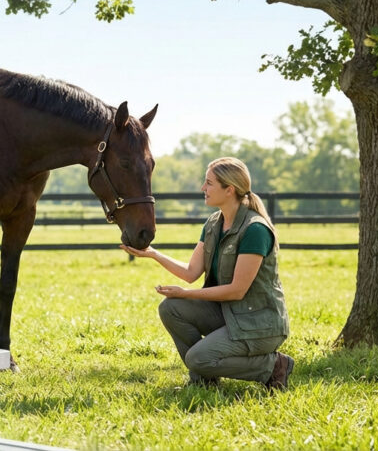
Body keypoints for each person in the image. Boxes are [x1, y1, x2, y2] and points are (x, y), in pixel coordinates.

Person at [121, 157, 294, 391]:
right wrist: (153, 254)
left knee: (197, 358)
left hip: (259, 324)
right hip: (230, 315)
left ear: (229, 189)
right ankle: (205, 380)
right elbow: (191, 272)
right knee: (170, 307)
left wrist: (187, 294)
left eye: (209, 183)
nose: (203, 188)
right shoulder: (214, 223)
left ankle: (273, 366)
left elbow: (237, 290)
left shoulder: (255, 230)